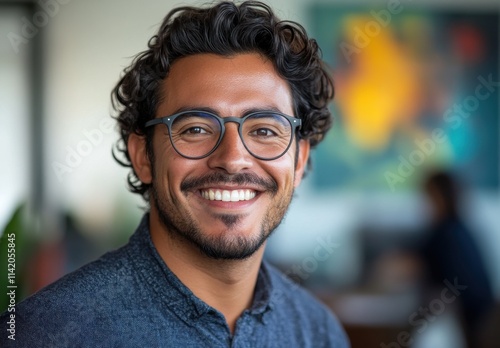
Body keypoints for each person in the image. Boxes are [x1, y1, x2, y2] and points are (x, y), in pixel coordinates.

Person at [0, 1, 349, 346]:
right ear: (144, 157)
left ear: (299, 160)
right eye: (196, 129)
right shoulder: (43, 334)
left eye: (265, 130)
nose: (232, 159)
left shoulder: (319, 332)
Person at [418, 170, 494, 348]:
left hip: (475, 326)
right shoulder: (460, 229)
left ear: (438, 197)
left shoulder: (446, 234)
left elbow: (413, 265)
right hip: (480, 322)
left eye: (428, 198)